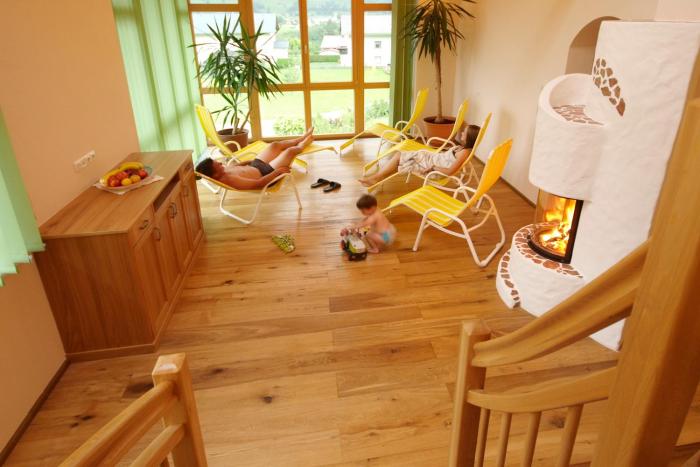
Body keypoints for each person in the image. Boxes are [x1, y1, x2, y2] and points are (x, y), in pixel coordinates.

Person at [358, 124, 480, 187]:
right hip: (433, 159)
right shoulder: (463, 148)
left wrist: (433, 167)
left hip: (433, 168)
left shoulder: (464, 153)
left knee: (400, 156)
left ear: (469, 137)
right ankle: (377, 178)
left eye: (465, 132)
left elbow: (449, 172)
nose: (462, 133)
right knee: (402, 159)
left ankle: (376, 178)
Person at [196, 127, 314, 190]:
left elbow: (236, 166)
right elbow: (258, 184)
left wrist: (250, 161)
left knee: (274, 145)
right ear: (215, 174)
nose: (221, 164)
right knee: (290, 151)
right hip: (267, 173)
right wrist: (277, 172)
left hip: (255, 165)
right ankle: (303, 143)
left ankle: (301, 138)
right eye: (218, 165)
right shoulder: (230, 180)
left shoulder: (221, 172)